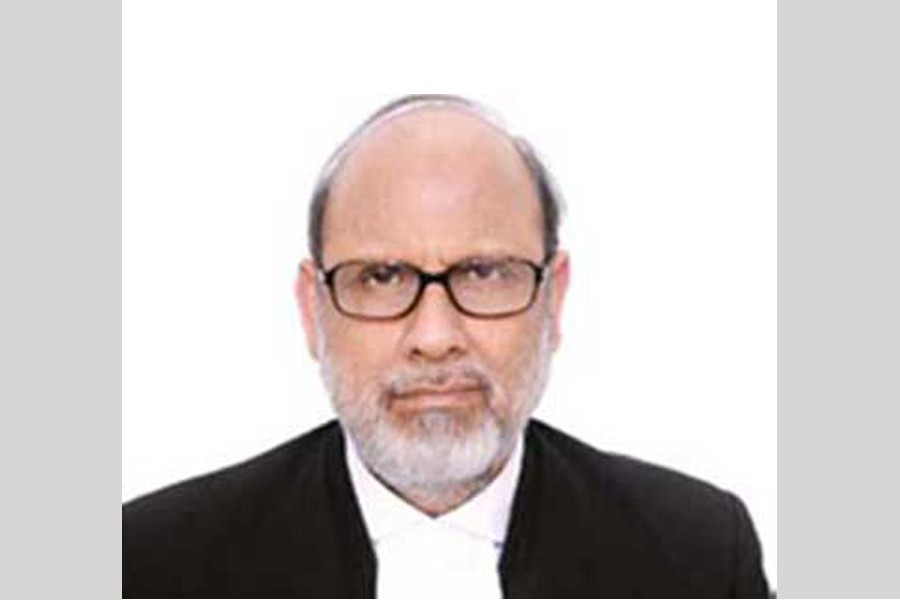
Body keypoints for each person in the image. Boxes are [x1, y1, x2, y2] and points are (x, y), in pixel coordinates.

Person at [123, 94, 771, 598]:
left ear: (554, 299)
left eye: (484, 273)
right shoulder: (150, 563)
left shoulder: (699, 554)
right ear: (311, 311)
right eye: (381, 277)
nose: (434, 338)